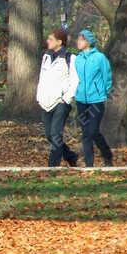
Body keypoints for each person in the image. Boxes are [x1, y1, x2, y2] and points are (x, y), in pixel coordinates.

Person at [36, 28, 79, 167]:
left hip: (60, 102)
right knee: (49, 135)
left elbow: (75, 80)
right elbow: (42, 78)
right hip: (45, 102)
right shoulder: (46, 57)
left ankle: (52, 166)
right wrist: (39, 96)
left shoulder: (70, 58)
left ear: (60, 42)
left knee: (55, 134)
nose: (47, 41)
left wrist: (66, 98)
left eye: (51, 39)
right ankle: (71, 156)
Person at [74, 29, 114, 167]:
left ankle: (107, 154)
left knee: (92, 131)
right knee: (86, 132)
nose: (78, 42)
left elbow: (107, 76)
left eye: (81, 39)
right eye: (78, 39)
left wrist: (104, 91)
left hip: (96, 100)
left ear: (88, 41)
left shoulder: (99, 58)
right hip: (81, 100)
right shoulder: (78, 59)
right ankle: (89, 164)